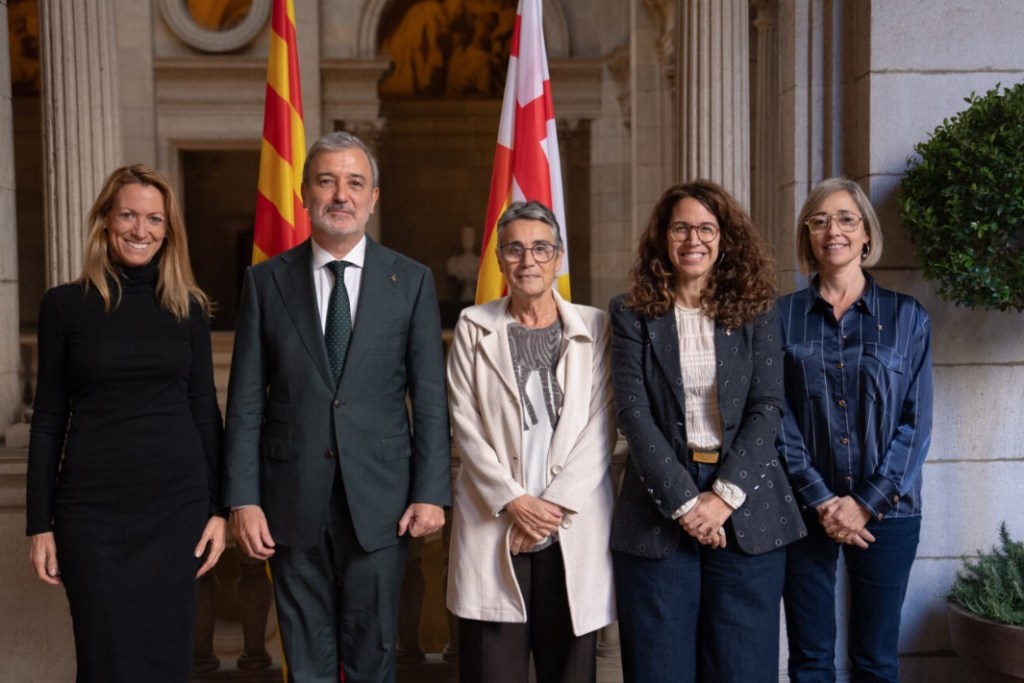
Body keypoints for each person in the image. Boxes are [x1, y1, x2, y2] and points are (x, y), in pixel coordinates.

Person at [223, 131, 451, 683]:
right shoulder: (264, 281)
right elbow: (246, 402)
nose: (340, 195)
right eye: (326, 181)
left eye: (355, 182)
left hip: (383, 501)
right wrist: (243, 499)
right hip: (289, 499)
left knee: (375, 657)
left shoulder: (412, 281)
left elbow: (430, 397)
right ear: (304, 194)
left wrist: (430, 491)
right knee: (305, 661)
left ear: (374, 196)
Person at [26, 164, 226, 682]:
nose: (142, 230)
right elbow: (48, 420)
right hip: (92, 517)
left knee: (168, 661)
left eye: (155, 219)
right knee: (103, 661)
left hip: (175, 510)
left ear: (169, 230)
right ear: (105, 222)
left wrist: (221, 510)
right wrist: (39, 523)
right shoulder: (64, 307)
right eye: (129, 215)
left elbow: (205, 410)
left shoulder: (189, 309)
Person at [608, 180, 807, 683]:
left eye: (706, 228)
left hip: (747, 510)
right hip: (658, 508)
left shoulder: (758, 308)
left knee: (742, 669)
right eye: (681, 228)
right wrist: (686, 504)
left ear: (724, 238)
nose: (693, 239)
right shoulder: (631, 313)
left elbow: (767, 406)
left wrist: (721, 497)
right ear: (662, 237)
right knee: (659, 669)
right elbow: (632, 412)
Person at [446, 200, 616, 683]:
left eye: (541, 248)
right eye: (515, 250)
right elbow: (465, 423)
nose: (528, 261)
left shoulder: (596, 326)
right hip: (495, 525)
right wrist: (514, 501)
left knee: (569, 671)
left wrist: (550, 510)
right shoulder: (473, 326)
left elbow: (603, 427)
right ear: (500, 261)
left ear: (558, 257)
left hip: (571, 527)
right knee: (491, 669)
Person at [778, 177, 933, 683]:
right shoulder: (780, 319)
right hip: (803, 511)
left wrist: (865, 501)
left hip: (888, 511)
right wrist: (822, 499)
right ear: (808, 236)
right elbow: (776, 416)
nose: (833, 230)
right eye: (819, 221)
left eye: (846, 219)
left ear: (866, 233)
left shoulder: (907, 317)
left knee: (875, 660)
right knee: (810, 658)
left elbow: (917, 421)